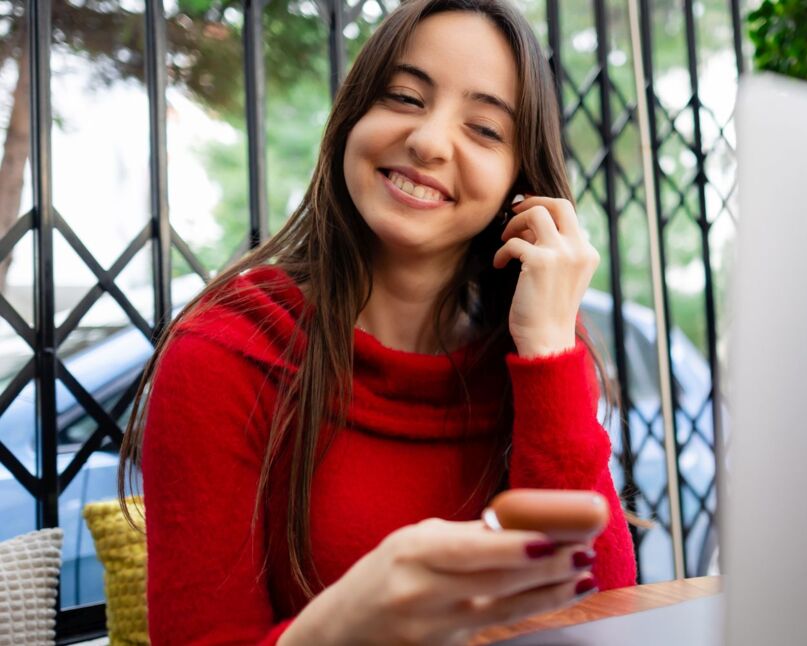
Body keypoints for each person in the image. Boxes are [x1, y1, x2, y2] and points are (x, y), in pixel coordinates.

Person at [116, 0, 638, 642]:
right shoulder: (224, 353)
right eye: (404, 97)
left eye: (483, 129)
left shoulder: (538, 356)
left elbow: (596, 618)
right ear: (351, 118)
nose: (428, 141)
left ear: (517, 187)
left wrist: (551, 353)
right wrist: (345, 621)